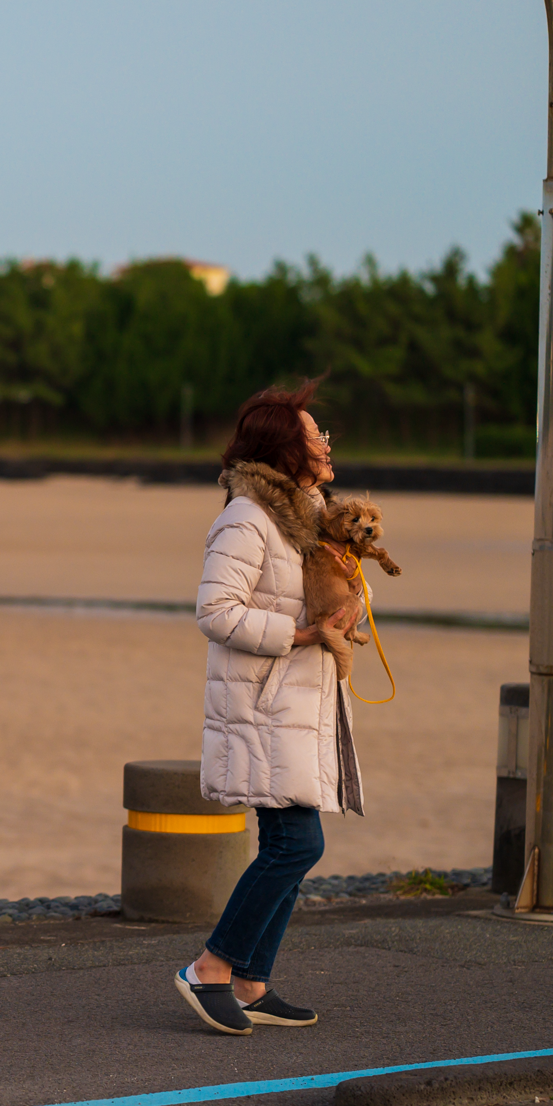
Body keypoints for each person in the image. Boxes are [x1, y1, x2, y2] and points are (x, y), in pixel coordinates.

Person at [175, 377, 362, 1036]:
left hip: (294, 706)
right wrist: (303, 635)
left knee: (293, 842)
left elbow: (304, 594)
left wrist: (341, 613)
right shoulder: (247, 518)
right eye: (315, 436)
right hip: (263, 706)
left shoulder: (308, 521)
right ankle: (210, 967)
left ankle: (251, 982)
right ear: (285, 451)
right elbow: (216, 611)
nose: (327, 443)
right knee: (295, 843)